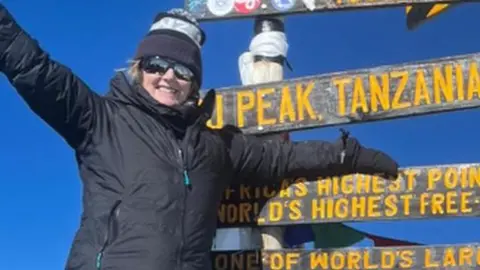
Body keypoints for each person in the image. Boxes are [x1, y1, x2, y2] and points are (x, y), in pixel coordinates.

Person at [0, 5, 399, 270]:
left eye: (183, 70)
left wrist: (352, 156)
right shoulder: (100, 119)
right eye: (158, 64)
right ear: (139, 68)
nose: (169, 77)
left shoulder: (215, 147)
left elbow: (281, 160)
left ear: (195, 84)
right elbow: (34, 69)